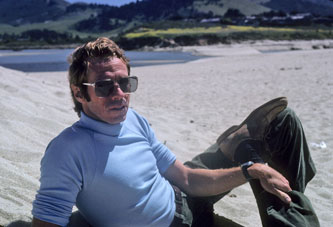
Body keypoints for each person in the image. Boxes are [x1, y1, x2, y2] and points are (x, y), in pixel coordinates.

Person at [31, 37, 319, 227]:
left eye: (126, 83)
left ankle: (249, 158)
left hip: (183, 192)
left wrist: (250, 171)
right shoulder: (67, 152)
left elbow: (187, 178)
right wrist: (252, 169)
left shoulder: (133, 120)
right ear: (79, 92)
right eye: (106, 86)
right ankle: (247, 156)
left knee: (284, 120)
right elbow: (47, 221)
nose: (120, 94)